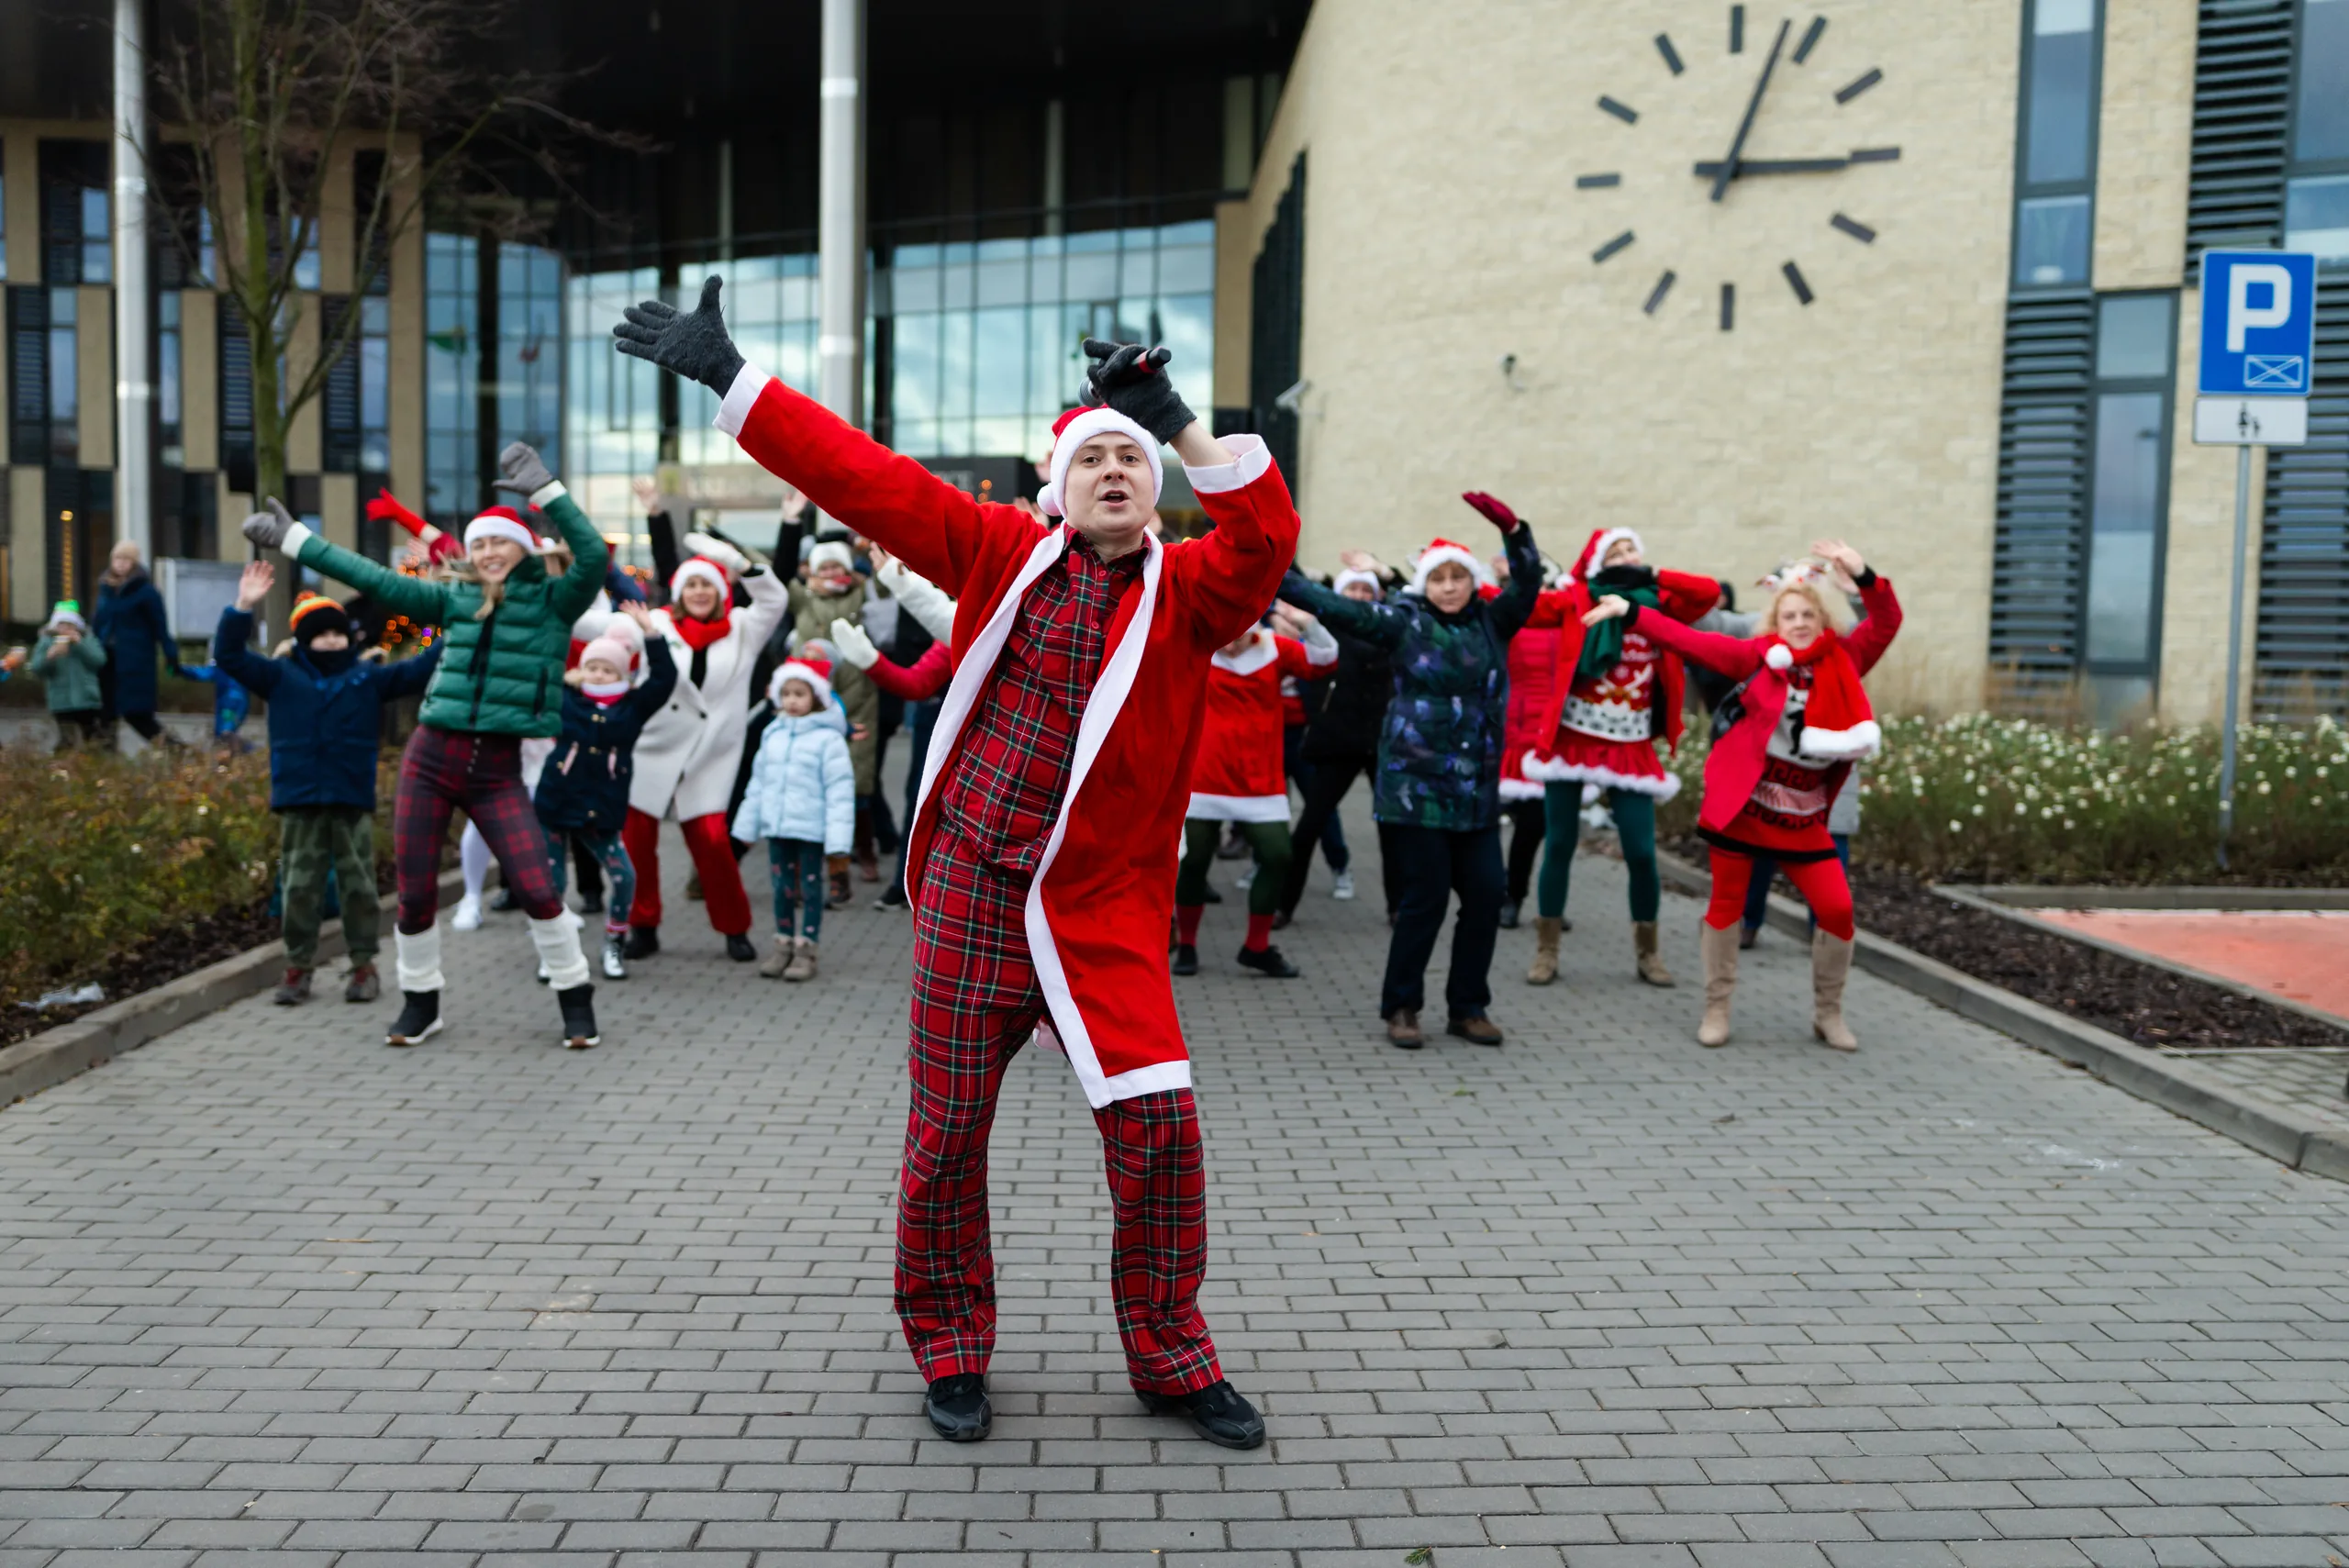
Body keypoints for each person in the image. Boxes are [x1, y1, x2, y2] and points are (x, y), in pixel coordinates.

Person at [616, 277, 1289, 1450]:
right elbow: (861, 476)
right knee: (945, 1136)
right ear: (1059, 487)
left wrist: (1175, 412)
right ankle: (950, 1344)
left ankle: (1171, 1354)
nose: (1118, 472)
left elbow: (1266, 534)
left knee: (1160, 1133)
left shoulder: (1190, 592)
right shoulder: (995, 552)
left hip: (1100, 908)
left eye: (1136, 459)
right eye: (1096, 459)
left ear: (1160, 488)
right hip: (977, 888)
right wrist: (733, 375)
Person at [240, 440, 611, 1050]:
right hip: (431, 758)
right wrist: (296, 540)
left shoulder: (554, 601)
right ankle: (421, 1002)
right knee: (412, 894)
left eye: (500, 540)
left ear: (525, 546)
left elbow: (592, 554)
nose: (489, 551)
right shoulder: (453, 597)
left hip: (496, 769)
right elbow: (374, 577)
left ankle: (575, 998)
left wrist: (546, 490)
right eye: (480, 542)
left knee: (540, 888)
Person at [1581, 539, 1900, 1051]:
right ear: (1777, 622)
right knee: (1726, 906)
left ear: (1821, 621)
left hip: (1804, 817)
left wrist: (1864, 575)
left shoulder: (1845, 660)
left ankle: (1829, 1013)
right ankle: (1717, 1008)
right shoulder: (1758, 658)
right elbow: (1691, 642)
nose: (1798, 623)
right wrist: (1632, 611)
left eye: (1807, 614)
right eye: (1789, 615)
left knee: (1837, 910)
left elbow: (1885, 622)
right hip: (1745, 810)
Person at [1277, 494, 1542, 1050]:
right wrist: (1267, 563)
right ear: (1425, 584)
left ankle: (1468, 1007)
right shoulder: (1404, 624)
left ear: (1471, 582)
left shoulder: (1496, 623)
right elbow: (1334, 604)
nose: (1448, 586)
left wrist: (1515, 530)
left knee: (1487, 897)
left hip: (1476, 794)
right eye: (1438, 578)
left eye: (1457, 577)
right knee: (1425, 902)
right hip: (1416, 792)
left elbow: (1528, 583)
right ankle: (1402, 1006)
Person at [211, 563, 440, 1006]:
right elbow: (230, 656)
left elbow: (421, 667)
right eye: (321, 635)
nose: (332, 641)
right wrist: (242, 607)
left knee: (358, 884)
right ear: (303, 640)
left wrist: (438, 622)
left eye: (338, 633)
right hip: (299, 797)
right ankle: (297, 967)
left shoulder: (367, 677)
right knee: (299, 884)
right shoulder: (280, 676)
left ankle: (363, 965)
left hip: (349, 795)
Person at [1517, 528, 1722, 987]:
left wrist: (1652, 573)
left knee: (1642, 852)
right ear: (1595, 564)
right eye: (1616, 552)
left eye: (1632, 550)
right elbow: (1518, 607)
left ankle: (1647, 952)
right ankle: (1546, 948)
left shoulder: (1659, 602)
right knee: (1560, 843)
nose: (1626, 557)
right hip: (1573, 740)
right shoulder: (1576, 599)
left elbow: (1707, 594)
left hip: (1630, 745)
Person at [623, 532, 791, 962]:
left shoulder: (742, 628)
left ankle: (734, 928)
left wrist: (733, 558)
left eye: (707, 584)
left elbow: (774, 599)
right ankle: (642, 924)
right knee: (637, 839)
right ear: (679, 592)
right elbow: (601, 628)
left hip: (710, 753)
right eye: (691, 585)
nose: (699, 592)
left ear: (721, 591)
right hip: (653, 748)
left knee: (713, 841)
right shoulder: (655, 623)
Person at [1172, 611, 1336, 978]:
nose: (1230, 645)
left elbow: (1325, 659)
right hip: (1203, 779)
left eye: (1239, 636)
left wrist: (1307, 623)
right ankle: (1187, 944)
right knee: (1193, 862)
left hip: (1260, 779)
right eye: (1225, 636)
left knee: (1277, 854)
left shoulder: (1274, 650)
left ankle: (1257, 946)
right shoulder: (1196, 648)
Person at [533, 605, 677, 983]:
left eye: (608, 669)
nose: (599, 674)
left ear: (622, 673)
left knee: (624, 875)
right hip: (557, 800)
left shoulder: (633, 706)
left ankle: (614, 941)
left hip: (602, 806)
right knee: (552, 881)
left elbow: (664, 678)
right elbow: (543, 668)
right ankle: (553, 952)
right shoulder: (567, 698)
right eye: (594, 667)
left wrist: (650, 634)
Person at [1276, 567, 1401, 926]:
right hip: (1338, 741)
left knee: (1391, 833)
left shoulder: (1391, 631)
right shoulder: (1328, 630)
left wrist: (1386, 573)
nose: (1360, 595)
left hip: (1382, 744)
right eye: (1353, 588)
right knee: (1308, 828)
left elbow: (1412, 596)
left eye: (1367, 589)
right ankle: (1284, 905)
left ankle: (1397, 906)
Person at [732, 652, 855, 980]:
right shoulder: (773, 733)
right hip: (778, 826)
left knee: (811, 889)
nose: (792, 701)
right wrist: (746, 826)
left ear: (815, 697)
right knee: (781, 888)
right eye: (786, 694)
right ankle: (783, 944)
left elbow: (840, 791)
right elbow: (758, 782)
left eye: (799, 694)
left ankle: (807, 949)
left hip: (811, 829)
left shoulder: (829, 740)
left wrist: (839, 839)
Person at [785, 539, 884, 897]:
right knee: (808, 790)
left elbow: (887, 580)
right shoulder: (802, 598)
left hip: (858, 700)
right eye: (822, 567)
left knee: (856, 789)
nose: (830, 573)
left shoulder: (862, 595)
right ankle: (806, 871)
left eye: (835, 567)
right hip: (807, 703)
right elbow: (772, 573)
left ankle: (861, 853)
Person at [94, 539, 184, 748]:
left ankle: (177, 750)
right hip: (106, 661)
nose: (121, 563)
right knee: (105, 716)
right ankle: (104, 766)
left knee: (138, 715)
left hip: (134, 662)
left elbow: (160, 625)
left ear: (134, 563)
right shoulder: (106, 589)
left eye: (126, 559)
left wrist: (171, 655)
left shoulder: (146, 592)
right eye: (117, 558)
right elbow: (98, 622)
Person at [29, 602, 107, 749]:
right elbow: (36, 668)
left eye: (70, 625)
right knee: (67, 739)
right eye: (62, 625)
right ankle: (63, 767)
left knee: (92, 738)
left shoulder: (87, 639)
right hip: (61, 700)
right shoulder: (47, 642)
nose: (65, 629)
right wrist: (50, 656)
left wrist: (80, 644)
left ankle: (92, 766)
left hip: (87, 698)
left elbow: (99, 660)